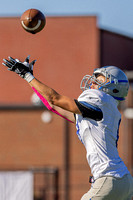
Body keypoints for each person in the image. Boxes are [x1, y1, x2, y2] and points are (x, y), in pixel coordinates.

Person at [2, 56, 133, 200]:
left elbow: (55, 99)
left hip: (108, 179)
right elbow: (53, 105)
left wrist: (27, 75)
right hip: (125, 181)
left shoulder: (100, 100)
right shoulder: (104, 110)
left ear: (113, 89)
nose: (94, 82)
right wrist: (28, 78)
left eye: (100, 80)